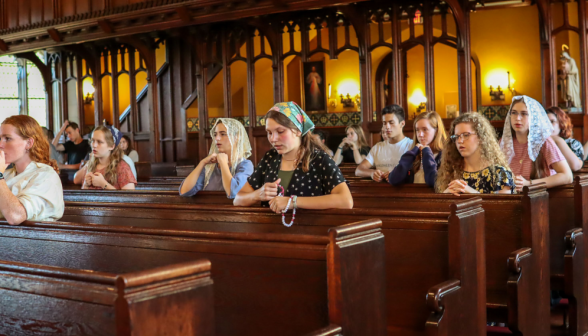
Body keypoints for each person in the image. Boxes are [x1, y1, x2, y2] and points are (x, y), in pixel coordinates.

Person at [234, 102, 353, 213]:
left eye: (280, 131)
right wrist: (257, 194)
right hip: (269, 231)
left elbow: (346, 201)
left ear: (298, 131)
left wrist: (293, 202)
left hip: (310, 231)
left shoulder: (319, 159)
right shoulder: (270, 158)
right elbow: (238, 199)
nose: (273, 139)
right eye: (269, 133)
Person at [500, 96, 573, 191]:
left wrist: (528, 184)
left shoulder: (544, 141)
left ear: (533, 118)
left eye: (524, 114)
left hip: (540, 199)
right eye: (514, 113)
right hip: (510, 199)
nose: (517, 118)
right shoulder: (504, 142)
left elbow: (567, 176)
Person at [0, 115, 64, 224]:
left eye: (8, 138)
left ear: (29, 143)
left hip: (35, 240)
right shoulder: (7, 174)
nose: (1, 144)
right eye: (0, 138)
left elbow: (15, 216)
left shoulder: (46, 176)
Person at [436, 112, 515, 195]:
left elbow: (503, 206)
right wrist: (445, 195)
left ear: (481, 137)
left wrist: (471, 192)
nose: (460, 141)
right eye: (456, 137)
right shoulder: (452, 171)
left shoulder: (499, 173)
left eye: (466, 135)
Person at [180, 118, 253, 199]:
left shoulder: (246, 165)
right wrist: (202, 163)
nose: (217, 138)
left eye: (223, 134)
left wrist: (223, 163)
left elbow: (232, 192)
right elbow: (184, 191)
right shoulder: (210, 167)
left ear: (237, 137)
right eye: (215, 134)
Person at [355, 104, 413, 182]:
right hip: (380, 192)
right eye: (384, 123)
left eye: (391, 122)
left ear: (402, 123)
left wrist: (395, 175)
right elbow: (359, 170)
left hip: (404, 191)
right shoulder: (377, 147)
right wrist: (372, 173)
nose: (387, 127)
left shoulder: (411, 146)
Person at [389, 111, 447, 187]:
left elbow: (434, 182)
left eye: (425, 129)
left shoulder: (445, 156)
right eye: (417, 130)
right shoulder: (413, 155)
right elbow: (394, 179)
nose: (420, 134)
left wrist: (427, 152)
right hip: (413, 197)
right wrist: (411, 154)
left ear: (436, 131)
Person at [74, 125, 137, 190]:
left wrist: (103, 184)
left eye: (99, 142)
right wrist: (85, 185)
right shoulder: (91, 165)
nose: (94, 145)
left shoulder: (122, 167)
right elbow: (83, 196)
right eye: (93, 141)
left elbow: (129, 197)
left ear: (112, 146)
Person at [546, 106, 583, 171]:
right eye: (545, 122)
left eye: (552, 121)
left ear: (561, 124)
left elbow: (575, 166)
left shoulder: (572, 143)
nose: (548, 125)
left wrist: (558, 140)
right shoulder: (537, 144)